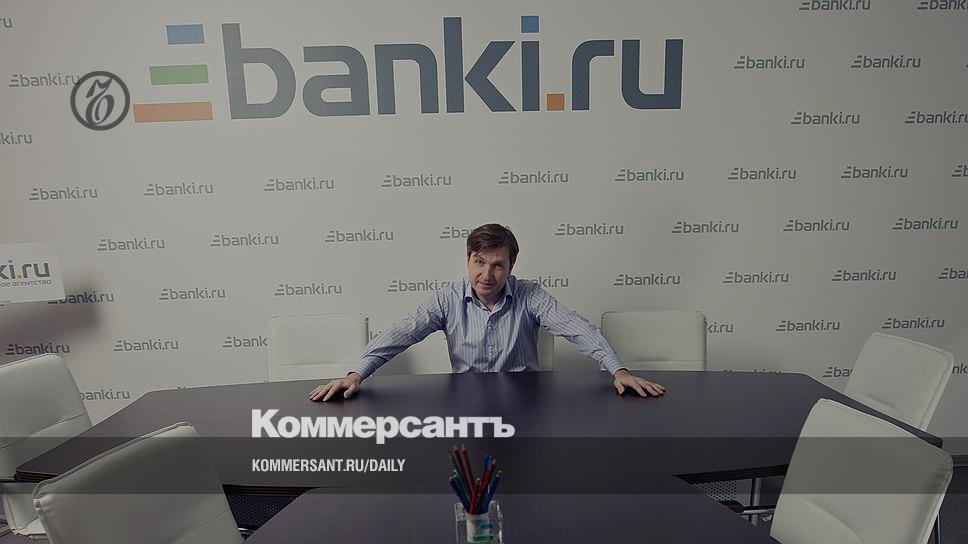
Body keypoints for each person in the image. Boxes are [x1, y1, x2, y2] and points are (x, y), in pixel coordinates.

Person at [309, 223, 666, 402]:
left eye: (497, 265)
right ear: (468, 260)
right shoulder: (447, 300)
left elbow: (577, 328)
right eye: (479, 262)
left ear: (511, 267)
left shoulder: (530, 295)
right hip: (467, 407)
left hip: (527, 408)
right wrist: (356, 374)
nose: (486, 275)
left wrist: (617, 369)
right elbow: (400, 333)